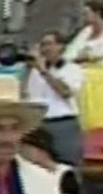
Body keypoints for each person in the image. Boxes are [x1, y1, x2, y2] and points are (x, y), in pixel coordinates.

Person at [22, 31, 85, 167]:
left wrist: (43, 70)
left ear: (61, 47)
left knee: (67, 166)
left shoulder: (72, 68)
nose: (45, 49)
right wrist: (27, 70)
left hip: (63, 124)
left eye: (49, 44)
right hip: (39, 123)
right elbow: (24, 95)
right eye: (42, 45)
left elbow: (65, 92)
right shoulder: (34, 71)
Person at [64, 2, 103, 130]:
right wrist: (80, 57)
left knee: (101, 116)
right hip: (82, 74)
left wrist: (85, 55)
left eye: (87, 13)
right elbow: (71, 53)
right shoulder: (85, 32)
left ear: (97, 14)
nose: (84, 17)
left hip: (102, 76)